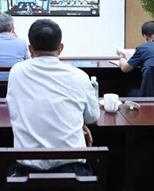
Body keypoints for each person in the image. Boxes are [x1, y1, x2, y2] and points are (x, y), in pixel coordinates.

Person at [6, 19, 100, 176]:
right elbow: (93, 117)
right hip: (73, 177)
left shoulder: (16, 72)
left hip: (26, 176)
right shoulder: (79, 76)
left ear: (30, 49)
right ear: (61, 48)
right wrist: (78, 123)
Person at [0, 14, 29, 81]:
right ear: (13, 29)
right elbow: (26, 62)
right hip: (15, 84)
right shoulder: (22, 43)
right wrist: (18, 39)